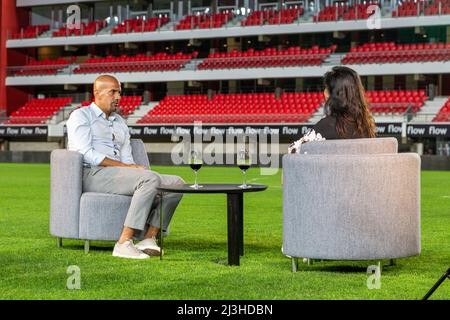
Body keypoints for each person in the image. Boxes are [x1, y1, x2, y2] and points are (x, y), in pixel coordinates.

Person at [66, 75, 184, 260]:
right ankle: (123, 243)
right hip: (92, 173)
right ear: (97, 93)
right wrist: (126, 167)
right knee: (150, 178)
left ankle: (148, 238)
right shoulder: (81, 115)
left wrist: (134, 169)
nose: (118, 97)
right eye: (112, 92)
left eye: (119, 92)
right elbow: (85, 152)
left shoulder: (120, 121)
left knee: (176, 183)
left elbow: (126, 154)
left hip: (117, 175)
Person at [289, 66, 376, 153]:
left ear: (334, 95)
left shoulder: (327, 125)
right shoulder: (366, 126)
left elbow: (293, 150)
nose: (324, 93)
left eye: (327, 88)